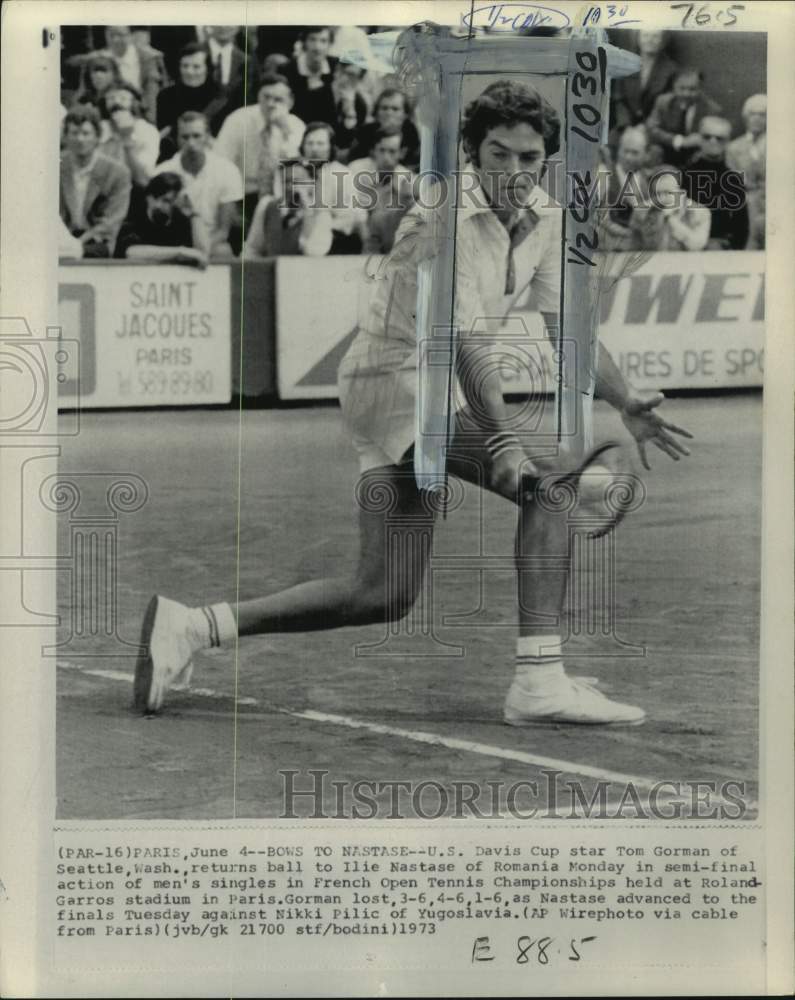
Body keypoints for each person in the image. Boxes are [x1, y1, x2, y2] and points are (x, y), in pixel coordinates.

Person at [135, 79, 692, 724]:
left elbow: (567, 325)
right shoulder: (437, 220)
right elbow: (461, 342)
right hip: (396, 380)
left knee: (382, 592)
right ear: (471, 153)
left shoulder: (547, 219)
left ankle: (192, 627)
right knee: (552, 488)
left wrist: (625, 400)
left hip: (412, 389)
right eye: (498, 154)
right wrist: (506, 441)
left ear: (547, 159)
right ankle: (539, 681)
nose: (514, 170)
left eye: (529, 157)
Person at [214, 73, 305, 220]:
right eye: (266, 97)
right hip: (242, 195)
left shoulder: (297, 127)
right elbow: (221, 163)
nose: (271, 104)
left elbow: (300, 170)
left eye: (278, 100)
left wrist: (286, 133)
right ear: (258, 97)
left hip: (280, 197)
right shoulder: (238, 121)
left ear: (290, 102)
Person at [154, 111, 243, 257]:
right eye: (185, 137)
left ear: (207, 137)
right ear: (177, 139)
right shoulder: (162, 172)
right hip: (173, 244)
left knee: (223, 251)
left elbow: (223, 231)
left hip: (212, 242)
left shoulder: (227, 170)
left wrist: (200, 250)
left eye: (196, 136)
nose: (191, 143)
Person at [60, 106, 131, 257]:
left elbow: (112, 221)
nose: (80, 139)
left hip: (96, 243)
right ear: (65, 137)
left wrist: (76, 245)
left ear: (97, 136)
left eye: (86, 133)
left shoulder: (117, 172)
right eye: (74, 133)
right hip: (60, 239)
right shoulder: (54, 167)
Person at [243, 159, 335, 258]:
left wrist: (307, 213)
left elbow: (314, 253)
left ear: (311, 184)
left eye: (297, 181)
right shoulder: (268, 206)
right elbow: (252, 249)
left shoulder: (321, 215)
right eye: (286, 182)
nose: (290, 187)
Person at [114, 171, 208, 266]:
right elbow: (131, 252)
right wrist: (179, 252)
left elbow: (203, 254)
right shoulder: (135, 216)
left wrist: (194, 214)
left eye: (171, 202)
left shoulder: (179, 218)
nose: (161, 205)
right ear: (149, 198)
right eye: (165, 200)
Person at [683, 116, 749, 250]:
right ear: (699, 139)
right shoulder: (684, 175)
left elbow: (741, 227)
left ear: (727, 142)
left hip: (720, 249)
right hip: (687, 246)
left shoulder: (733, 179)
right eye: (707, 137)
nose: (713, 141)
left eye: (720, 138)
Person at [349, 125, 415, 254]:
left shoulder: (407, 178)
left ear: (402, 153)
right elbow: (353, 211)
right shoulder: (356, 169)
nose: (386, 157)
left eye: (392, 151)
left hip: (388, 236)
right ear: (373, 151)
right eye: (382, 150)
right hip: (357, 234)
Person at [646, 68, 722, 168]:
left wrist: (701, 140)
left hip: (695, 154)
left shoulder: (711, 110)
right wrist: (679, 141)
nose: (686, 94)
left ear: (700, 88)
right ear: (674, 88)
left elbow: (714, 139)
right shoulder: (663, 102)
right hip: (667, 150)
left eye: (692, 89)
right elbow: (651, 128)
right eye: (682, 88)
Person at [156, 43, 226, 150]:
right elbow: (163, 134)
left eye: (196, 67)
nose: (189, 71)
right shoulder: (166, 96)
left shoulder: (221, 96)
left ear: (207, 69)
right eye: (185, 66)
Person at [610, 30, 679, 138]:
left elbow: (667, 105)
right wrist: (626, 125)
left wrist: (647, 127)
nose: (650, 40)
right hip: (625, 126)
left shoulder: (671, 69)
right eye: (645, 35)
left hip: (654, 129)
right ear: (638, 38)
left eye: (655, 36)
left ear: (663, 40)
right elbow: (618, 98)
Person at [629, 168, 711, 251]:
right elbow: (634, 249)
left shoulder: (699, 211)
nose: (662, 198)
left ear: (681, 191)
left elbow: (697, 245)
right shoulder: (642, 211)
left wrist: (671, 219)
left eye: (667, 192)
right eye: (657, 193)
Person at [597, 126, 650, 251]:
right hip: (606, 249)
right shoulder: (603, 175)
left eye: (634, 152)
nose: (628, 157)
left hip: (639, 251)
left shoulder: (650, 180)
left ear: (645, 154)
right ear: (618, 150)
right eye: (625, 151)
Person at [100, 83, 160, 191]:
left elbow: (143, 180)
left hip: (134, 190)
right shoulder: (99, 129)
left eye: (123, 98)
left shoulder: (148, 131)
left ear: (135, 103)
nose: (116, 102)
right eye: (111, 98)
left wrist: (126, 139)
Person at [101, 25, 166, 124]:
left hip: (145, 114)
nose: (115, 40)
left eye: (120, 35)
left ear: (131, 36)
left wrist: (150, 121)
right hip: (111, 116)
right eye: (111, 35)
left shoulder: (148, 58)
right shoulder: (101, 59)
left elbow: (153, 93)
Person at [726, 94, 766, 249]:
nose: (757, 118)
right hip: (748, 201)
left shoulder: (779, 144)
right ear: (745, 117)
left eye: (762, 114)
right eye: (752, 114)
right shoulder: (734, 147)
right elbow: (733, 179)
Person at [349, 88, 421, 170]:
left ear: (405, 114)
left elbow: (415, 164)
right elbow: (354, 161)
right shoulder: (364, 133)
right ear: (376, 112)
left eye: (395, 109)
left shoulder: (412, 134)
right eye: (384, 108)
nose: (389, 113)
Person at [282, 26, 339, 125]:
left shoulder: (336, 67)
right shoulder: (286, 70)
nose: (317, 47)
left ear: (330, 45)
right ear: (304, 43)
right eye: (312, 39)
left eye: (323, 41)